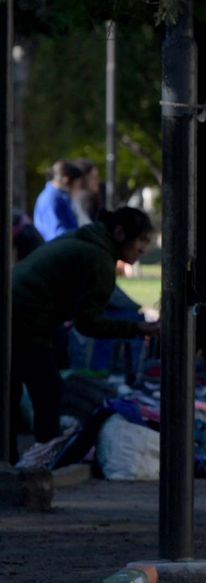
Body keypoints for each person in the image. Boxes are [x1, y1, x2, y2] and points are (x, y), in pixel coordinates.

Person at [9, 207, 157, 458]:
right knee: (47, 390)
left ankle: (12, 459)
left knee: (13, 391)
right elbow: (88, 324)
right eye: (141, 240)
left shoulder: (88, 238)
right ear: (120, 233)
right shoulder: (99, 259)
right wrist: (137, 328)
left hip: (15, 310)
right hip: (26, 318)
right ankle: (44, 458)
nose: (143, 249)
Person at [32, 160, 85, 241]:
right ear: (66, 180)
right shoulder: (53, 199)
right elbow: (57, 233)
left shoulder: (58, 197)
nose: (79, 190)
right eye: (77, 185)